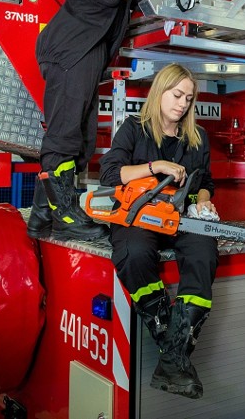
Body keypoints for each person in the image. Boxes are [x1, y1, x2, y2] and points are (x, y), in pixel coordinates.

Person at [26, 0, 185, 240]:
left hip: (87, 59)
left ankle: (42, 217)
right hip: (70, 53)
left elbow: (143, 1)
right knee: (65, 134)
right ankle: (65, 218)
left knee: (81, 139)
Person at [98, 63, 219, 399]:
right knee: (134, 254)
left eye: (188, 98)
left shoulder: (197, 138)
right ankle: (173, 351)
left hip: (181, 219)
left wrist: (204, 202)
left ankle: (172, 357)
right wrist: (155, 167)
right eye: (177, 94)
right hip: (139, 220)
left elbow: (205, 183)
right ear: (160, 92)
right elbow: (110, 175)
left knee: (203, 253)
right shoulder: (133, 130)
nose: (182, 103)